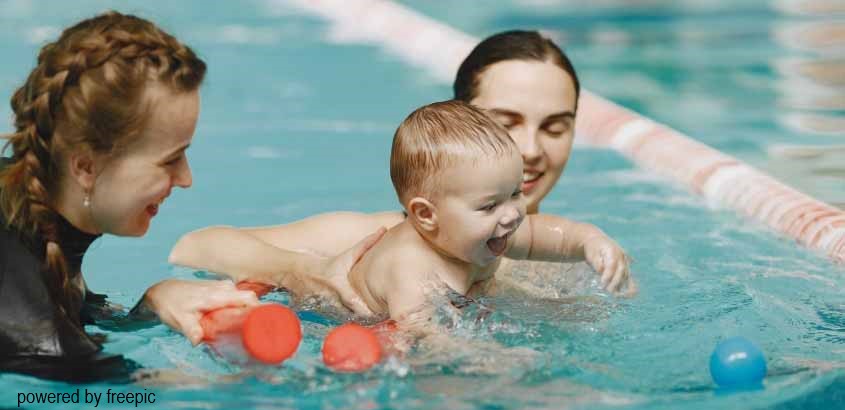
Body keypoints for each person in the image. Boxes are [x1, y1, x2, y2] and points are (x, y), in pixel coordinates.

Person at [0, 11, 381, 382]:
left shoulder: (27, 218)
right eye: (169, 160)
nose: (186, 179)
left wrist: (153, 303)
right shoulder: (37, 336)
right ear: (85, 167)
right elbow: (78, 399)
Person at [169, 30, 633, 297]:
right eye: (504, 122)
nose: (531, 149)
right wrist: (306, 273)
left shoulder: (578, 262)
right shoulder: (387, 241)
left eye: (555, 127)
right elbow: (195, 247)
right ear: (462, 121)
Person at [346, 101, 629, 333]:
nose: (512, 215)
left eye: (516, 193)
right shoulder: (410, 270)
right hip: (354, 322)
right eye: (488, 206)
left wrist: (590, 241)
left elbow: (550, 236)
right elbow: (426, 341)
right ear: (426, 214)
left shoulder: (487, 232)